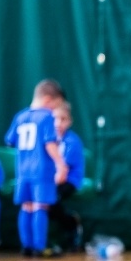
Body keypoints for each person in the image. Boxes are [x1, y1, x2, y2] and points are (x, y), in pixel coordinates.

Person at [4, 79, 69, 257]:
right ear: (48, 100)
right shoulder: (46, 117)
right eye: (56, 106)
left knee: (26, 206)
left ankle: (27, 247)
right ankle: (40, 247)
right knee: (41, 206)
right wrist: (60, 164)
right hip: (41, 171)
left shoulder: (20, 116)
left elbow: (10, 141)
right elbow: (49, 143)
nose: (54, 111)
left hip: (23, 172)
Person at [50, 102, 85, 251]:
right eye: (55, 118)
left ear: (69, 121)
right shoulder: (48, 140)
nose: (58, 123)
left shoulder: (72, 142)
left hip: (69, 181)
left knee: (51, 199)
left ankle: (71, 224)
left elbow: (62, 174)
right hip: (51, 180)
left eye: (63, 119)